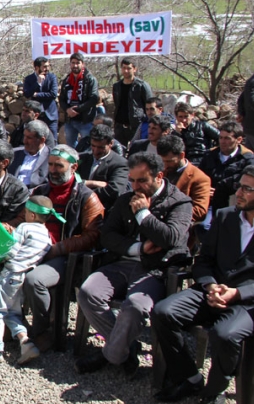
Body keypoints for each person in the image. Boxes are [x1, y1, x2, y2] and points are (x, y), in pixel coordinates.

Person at [151, 164, 254, 404]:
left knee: (225, 335)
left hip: (249, 301)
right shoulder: (226, 217)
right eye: (240, 186)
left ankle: (214, 393)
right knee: (163, 312)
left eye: (249, 189)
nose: (240, 192)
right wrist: (210, 285)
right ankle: (189, 377)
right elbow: (203, 260)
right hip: (212, 289)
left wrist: (236, 293)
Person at [75, 152, 192, 377]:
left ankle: (111, 354)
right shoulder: (125, 199)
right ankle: (127, 348)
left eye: (142, 180)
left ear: (159, 176)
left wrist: (143, 214)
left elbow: (170, 238)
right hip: (123, 262)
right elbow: (107, 235)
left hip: (155, 269)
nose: (136, 186)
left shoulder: (179, 203)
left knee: (135, 307)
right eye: (132, 180)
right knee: (88, 292)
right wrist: (136, 248)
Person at [23, 145, 104, 351]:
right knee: (1, 267)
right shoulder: (41, 191)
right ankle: (13, 323)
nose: (53, 169)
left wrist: (58, 248)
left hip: (64, 256)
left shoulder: (86, 197)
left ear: (74, 167)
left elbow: (92, 235)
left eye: (59, 165)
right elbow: (23, 215)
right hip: (35, 249)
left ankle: (44, 329)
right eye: (50, 164)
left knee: (35, 280)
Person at [0, 196, 57, 365]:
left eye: (26, 212)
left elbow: (11, 250)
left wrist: (0, 253)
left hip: (10, 273)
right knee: (12, 312)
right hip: (24, 276)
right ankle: (25, 342)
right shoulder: (47, 237)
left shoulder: (25, 227)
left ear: (31, 215)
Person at [199, 121, 254, 214]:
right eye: (221, 138)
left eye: (227, 138)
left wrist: (219, 190)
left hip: (234, 202)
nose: (222, 141)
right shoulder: (210, 155)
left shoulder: (247, 159)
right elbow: (200, 176)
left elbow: (247, 181)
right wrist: (205, 188)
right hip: (209, 201)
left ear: (239, 139)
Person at [157, 135, 211, 226]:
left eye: (169, 161)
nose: (165, 165)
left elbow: (200, 211)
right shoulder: (160, 171)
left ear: (181, 155)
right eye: (163, 161)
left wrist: (166, 211)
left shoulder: (200, 178)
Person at [77, 124, 129, 211]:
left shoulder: (120, 163)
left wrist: (83, 194)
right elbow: (71, 180)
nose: (96, 151)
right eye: (93, 146)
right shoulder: (82, 159)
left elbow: (114, 190)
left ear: (111, 143)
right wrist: (92, 183)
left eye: (101, 147)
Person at [59, 53, 99, 148]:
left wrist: (77, 110)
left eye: (78, 63)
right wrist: (67, 110)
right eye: (73, 63)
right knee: (70, 147)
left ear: (83, 64)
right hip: (70, 119)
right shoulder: (67, 80)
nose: (75, 65)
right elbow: (61, 98)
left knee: (88, 145)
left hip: (85, 120)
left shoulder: (90, 79)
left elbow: (94, 98)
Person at [112, 58, 153, 145]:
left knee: (136, 151)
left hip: (136, 125)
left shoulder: (142, 85)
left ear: (134, 69)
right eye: (123, 68)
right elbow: (117, 103)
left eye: (129, 68)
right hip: (120, 126)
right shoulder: (117, 86)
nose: (126, 71)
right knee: (119, 152)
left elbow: (150, 103)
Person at [22, 57, 59, 140]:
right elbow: (27, 93)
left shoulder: (52, 77)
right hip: (35, 116)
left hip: (50, 115)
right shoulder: (29, 79)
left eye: (48, 66)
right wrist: (37, 83)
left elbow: (53, 94)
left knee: (53, 139)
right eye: (44, 67)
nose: (47, 69)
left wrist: (37, 94)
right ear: (36, 68)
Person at [8, 120, 51, 189]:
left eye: (29, 138)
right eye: (24, 136)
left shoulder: (50, 157)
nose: (24, 141)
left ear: (42, 140)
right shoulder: (14, 153)